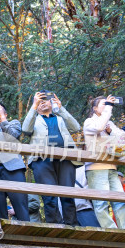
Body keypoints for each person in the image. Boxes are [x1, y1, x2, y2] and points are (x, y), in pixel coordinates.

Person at [22, 91, 82, 225]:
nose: (43, 102)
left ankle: (72, 225)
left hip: (66, 159)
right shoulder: (34, 120)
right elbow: (25, 129)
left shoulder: (60, 117)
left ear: (52, 102)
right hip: (42, 160)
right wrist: (34, 106)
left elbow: (76, 127)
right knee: (49, 196)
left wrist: (60, 108)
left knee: (68, 195)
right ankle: (55, 226)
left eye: (45, 99)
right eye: (40, 101)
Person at [82, 95, 125, 229]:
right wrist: (109, 108)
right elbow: (98, 128)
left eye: (109, 104)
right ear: (95, 108)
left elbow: (124, 137)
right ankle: (110, 230)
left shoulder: (110, 124)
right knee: (101, 202)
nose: (108, 106)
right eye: (104, 104)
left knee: (121, 201)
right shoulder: (89, 122)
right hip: (96, 168)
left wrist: (111, 132)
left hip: (112, 167)